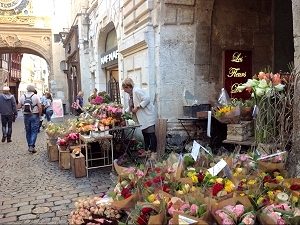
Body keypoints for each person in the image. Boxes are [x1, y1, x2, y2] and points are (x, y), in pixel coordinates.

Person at [121, 77, 158, 160]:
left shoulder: (136, 91)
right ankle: (147, 151)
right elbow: (131, 106)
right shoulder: (131, 94)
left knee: (151, 134)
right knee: (145, 134)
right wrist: (123, 113)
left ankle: (154, 153)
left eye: (124, 89)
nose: (124, 91)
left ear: (128, 87)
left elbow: (147, 99)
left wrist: (138, 106)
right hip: (142, 117)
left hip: (148, 115)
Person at [18, 84, 42, 153]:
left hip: (26, 115)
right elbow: (40, 107)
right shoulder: (36, 96)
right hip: (34, 114)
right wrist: (39, 115)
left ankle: (29, 145)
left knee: (28, 131)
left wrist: (24, 106)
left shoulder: (22, 96)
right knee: (34, 131)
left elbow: (19, 106)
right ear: (33, 89)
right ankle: (31, 146)